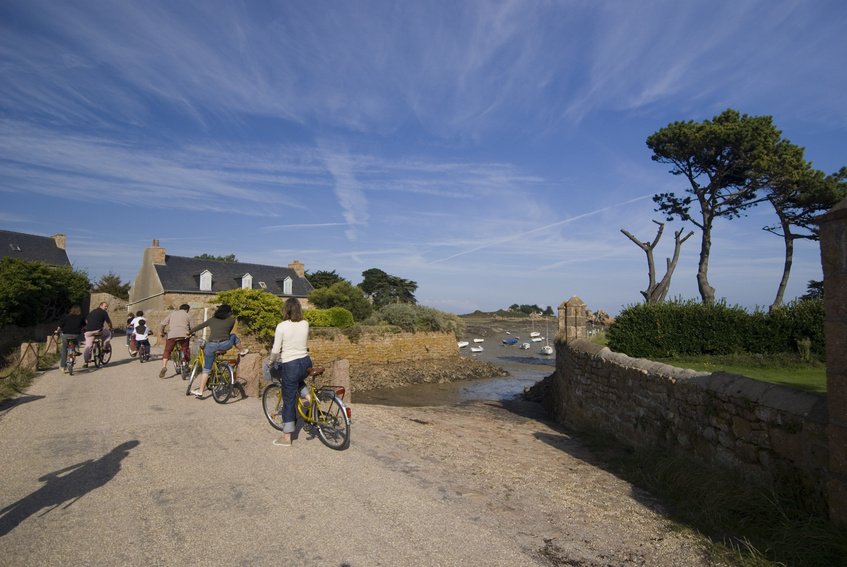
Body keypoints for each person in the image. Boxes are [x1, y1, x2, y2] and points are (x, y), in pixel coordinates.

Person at [267, 297, 311, 447]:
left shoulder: (282, 326)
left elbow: (275, 349)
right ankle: (310, 399)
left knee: (289, 400)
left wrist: (271, 360)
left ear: (286, 310)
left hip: (290, 364)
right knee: (297, 380)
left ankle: (286, 437)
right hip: (305, 362)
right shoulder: (305, 324)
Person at [187, 304, 248, 398]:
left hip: (212, 345)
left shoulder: (212, 320)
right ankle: (242, 350)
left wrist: (189, 332)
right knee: (233, 336)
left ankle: (200, 390)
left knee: (206, 369)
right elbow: (227, 333)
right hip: (225, 345)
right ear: (229, 312)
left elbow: (200, 326)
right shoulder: (232, 321)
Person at [158, 304, 194, 378]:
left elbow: (162, 324)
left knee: (167, 351)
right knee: (186, 349)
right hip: (184, 335)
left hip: (172, 335)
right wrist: (192, 334)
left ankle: (164, 366)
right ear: (187, 310)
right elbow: (192, 328)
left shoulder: (172, 314)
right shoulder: (188, 316)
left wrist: (161, 332)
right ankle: (186, 365)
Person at [55, 305, 86, 373]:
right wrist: (84, 329)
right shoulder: (81, 317)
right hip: (76, 335)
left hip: (66, 335)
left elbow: (60, 326)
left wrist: (57, 331)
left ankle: (62, 366)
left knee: (64, 349)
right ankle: (76, 348)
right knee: (76, 338)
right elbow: (84, 326)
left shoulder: (66, 317)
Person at [83, 302, 112, 367]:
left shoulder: (92, 312)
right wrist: (111, 327)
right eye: (105, 306)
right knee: (108, 334)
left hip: (88, 331)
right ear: (101, 306)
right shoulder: (104, 312)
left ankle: (86, 362)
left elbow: (86, 321)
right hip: (98, 330)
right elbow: (108, 322)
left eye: (107, 306)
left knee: (88, 346)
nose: (106, 308)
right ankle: (105, 347)